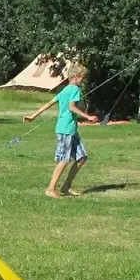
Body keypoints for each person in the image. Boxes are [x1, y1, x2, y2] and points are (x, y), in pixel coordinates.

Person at [22, 64, 98, 198]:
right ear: (76, 77)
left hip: (71, 130)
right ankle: (50, 189)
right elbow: (71, 107)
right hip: (65, 129)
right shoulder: (74, 89)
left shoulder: (65, 89)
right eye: (82, 78)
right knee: (64, 159)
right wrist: (88, 117)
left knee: (82, 157)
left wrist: (33, 116)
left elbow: (49, 103)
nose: (83, 80)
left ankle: (66, 186)